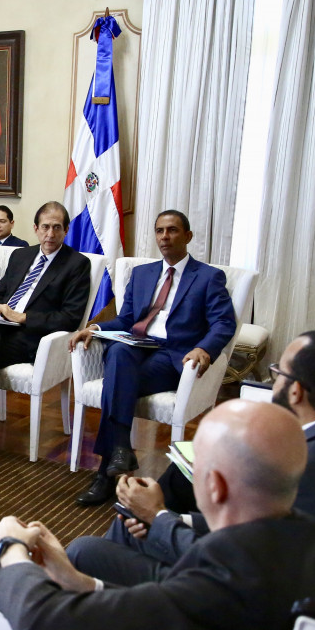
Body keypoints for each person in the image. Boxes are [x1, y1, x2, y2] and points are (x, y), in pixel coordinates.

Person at [0, 400, 315, 630]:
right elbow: (156, 609)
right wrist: (80, 582)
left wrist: (10, 545)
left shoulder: (224, 580)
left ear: (215, 486)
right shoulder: (309, 537)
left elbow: (40, 622)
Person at [109, 331, 315, 566]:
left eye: (278, 372)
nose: (274, 381)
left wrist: (158, 518)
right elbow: (254, 527)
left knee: (97, 547)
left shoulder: (313, 466)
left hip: (227, 582)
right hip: (246, 556)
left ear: (296, 392)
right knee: (164, 491)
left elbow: (234, 558)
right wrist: (169, 517)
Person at [69, 210, 236, 506]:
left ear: (188, 236)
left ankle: (107, 471)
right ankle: (120, 451)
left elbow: (224, 323)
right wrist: (95, 328)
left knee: (115, 382)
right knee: (118, 351)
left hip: (172, 356)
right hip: (137, 346)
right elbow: (127, 319)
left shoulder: (208, 277)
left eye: (172, 230)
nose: (164, 237)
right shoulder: (142, 274)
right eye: (159, 231)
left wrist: (205, 349)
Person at [0, 202, 92, 459]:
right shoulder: (20, 256)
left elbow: (70, 318)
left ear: (66, 230)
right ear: (36, 228)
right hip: (2, 329)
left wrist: (22, 317)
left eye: (57, 228)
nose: (50, 234)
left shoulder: (77, 264)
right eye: (45, 227)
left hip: (34, 338)